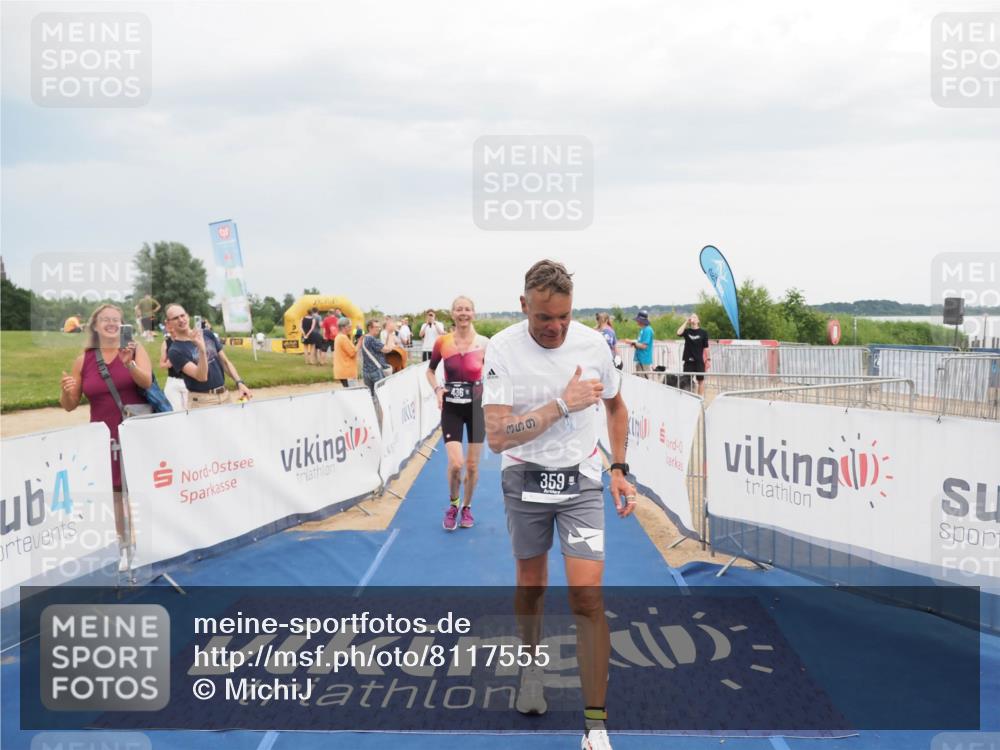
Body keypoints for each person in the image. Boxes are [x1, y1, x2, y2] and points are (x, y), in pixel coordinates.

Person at [481, 259, 636, 750]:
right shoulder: (502, 349)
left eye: (564, 317)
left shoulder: (593, 345)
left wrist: (618, 469)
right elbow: (498, 438)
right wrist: (563, 404)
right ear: (524, 305)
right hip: (524, 476)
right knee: (532, 584)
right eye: (545, 317)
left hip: (582, 481)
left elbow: (616, 406)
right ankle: (530, 667)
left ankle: (595, 727)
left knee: (587, 595)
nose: (555, 328)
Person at [59, 304, 153, 565]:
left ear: (122, 325)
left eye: (116, 319)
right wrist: (66, 390)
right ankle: (124, 548)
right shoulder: (84, 360)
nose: (111, 323)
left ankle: (147, 546)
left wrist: (130, 364)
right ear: (95, 326)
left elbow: (146, 381)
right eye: (105, 320)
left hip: (134, 432)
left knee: (136, 490)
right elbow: (69, 405)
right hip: (103, 436)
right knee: (115, 495)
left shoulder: (134, 348)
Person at [426, 296, 489, 531]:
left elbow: (495, 375)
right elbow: (430, 372)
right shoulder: (443, 342)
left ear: (474, 313)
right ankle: (453, 504)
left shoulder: (484, 343)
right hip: (451, 408)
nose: (463, 313)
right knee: (456, 464)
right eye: (459, 309)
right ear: (452, 313)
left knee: (472, 466)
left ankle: (467, 507)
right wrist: (437, 389)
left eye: (468, 309)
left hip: (477, 409)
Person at [164, 304, 252, 408]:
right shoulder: (175, 351)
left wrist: (239, 383)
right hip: (202, 401)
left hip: (225, 395)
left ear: (187, 316)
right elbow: (201, 376)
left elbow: (225, 362)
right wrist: (201, 349)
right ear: (169, 323)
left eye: (182, 315)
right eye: (175, 318)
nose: (181, 320)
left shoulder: (207, 334)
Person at [360, 319, 396, 397]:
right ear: (370, 328)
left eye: (379, 327)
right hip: (376, 371)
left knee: (371, 396)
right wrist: (390, 334)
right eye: (376, 327)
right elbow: (387, 349)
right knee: (382, 396)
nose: (378, 329)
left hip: (366, 372)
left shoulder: (365, 338)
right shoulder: (372, 339)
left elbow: (383, 347)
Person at [677, 313, 710, 396]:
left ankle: (700, 399)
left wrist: (708, 359)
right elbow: (678, 332)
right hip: (688, 361)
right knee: (686, 380)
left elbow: (706, 347)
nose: (693, 318)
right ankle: (688, 398)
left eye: (695, 317)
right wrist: (686, 322)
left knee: (701, 381)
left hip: (699, 361)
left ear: (698, 321)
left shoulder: (703, 333)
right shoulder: (687, 331)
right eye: (691, 317)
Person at [159, 318, 189, 411]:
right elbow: (161, 364)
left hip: (188, 380)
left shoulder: (187, 340)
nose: (170, 327)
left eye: (171, 324)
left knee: (190, 411)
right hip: (173, 381)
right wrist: (168, 364)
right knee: (175, 412)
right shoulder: (166, 343)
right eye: (168, 325)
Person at [626, 310, 654, 378]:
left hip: (644, 360)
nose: (637, 322)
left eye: (638, 320)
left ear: (641, 320)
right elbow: (640, 342)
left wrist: (632, 342)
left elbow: (644, 346)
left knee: (644, 381)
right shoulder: (643, 329)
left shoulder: (648, 330)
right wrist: (634, 343)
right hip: (640, 359)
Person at [332, 317, 358, 387]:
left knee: (349, 392)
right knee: (353, 393)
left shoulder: (339, 337)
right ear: (344, 327)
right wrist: (360, 342)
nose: (350, 328)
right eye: (349, 326)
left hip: (343, 371)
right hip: (347, 372)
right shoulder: (343, 338)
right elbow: (352, 353)